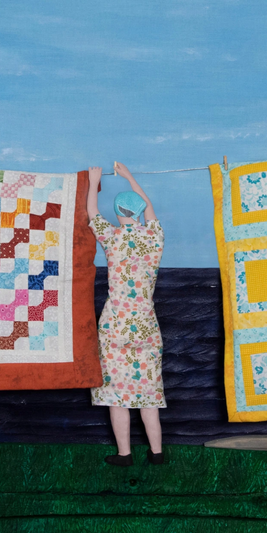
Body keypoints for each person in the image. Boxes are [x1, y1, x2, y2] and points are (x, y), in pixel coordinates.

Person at [86, 162, 165, 472]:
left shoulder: (113, 238)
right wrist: (131, 177)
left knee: (117, 395)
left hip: (116, 324)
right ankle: (157, 454)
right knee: (148, 395)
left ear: (118, 212)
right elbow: (148, 208)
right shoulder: (154, 238)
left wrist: (93, 182)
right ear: (141, 212)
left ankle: (124, 454)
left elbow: (92, 212)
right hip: (146, 326)